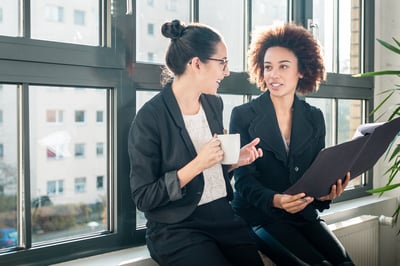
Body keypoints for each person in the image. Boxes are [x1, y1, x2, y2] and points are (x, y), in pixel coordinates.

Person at [128, 19, 264, 266]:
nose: (227, 71)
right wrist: (197, 164)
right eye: (222, 62)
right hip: (177, 228)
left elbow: (211, 175)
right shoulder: (150, 117)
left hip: (222, 216)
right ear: (196, 64)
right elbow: (143, 197)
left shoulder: (214, 104)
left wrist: (232, 162)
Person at [229, 23, 355, 266]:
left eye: (283, 66)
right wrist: (277, 200)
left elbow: (316, 174)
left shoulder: (314, 117)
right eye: (268, 67)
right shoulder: (243, 115)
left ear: (301, 71)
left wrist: (328, 192)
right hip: (261, 217)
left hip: (303, 215)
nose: (273, 75)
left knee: (345, 264)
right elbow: (243, 181)